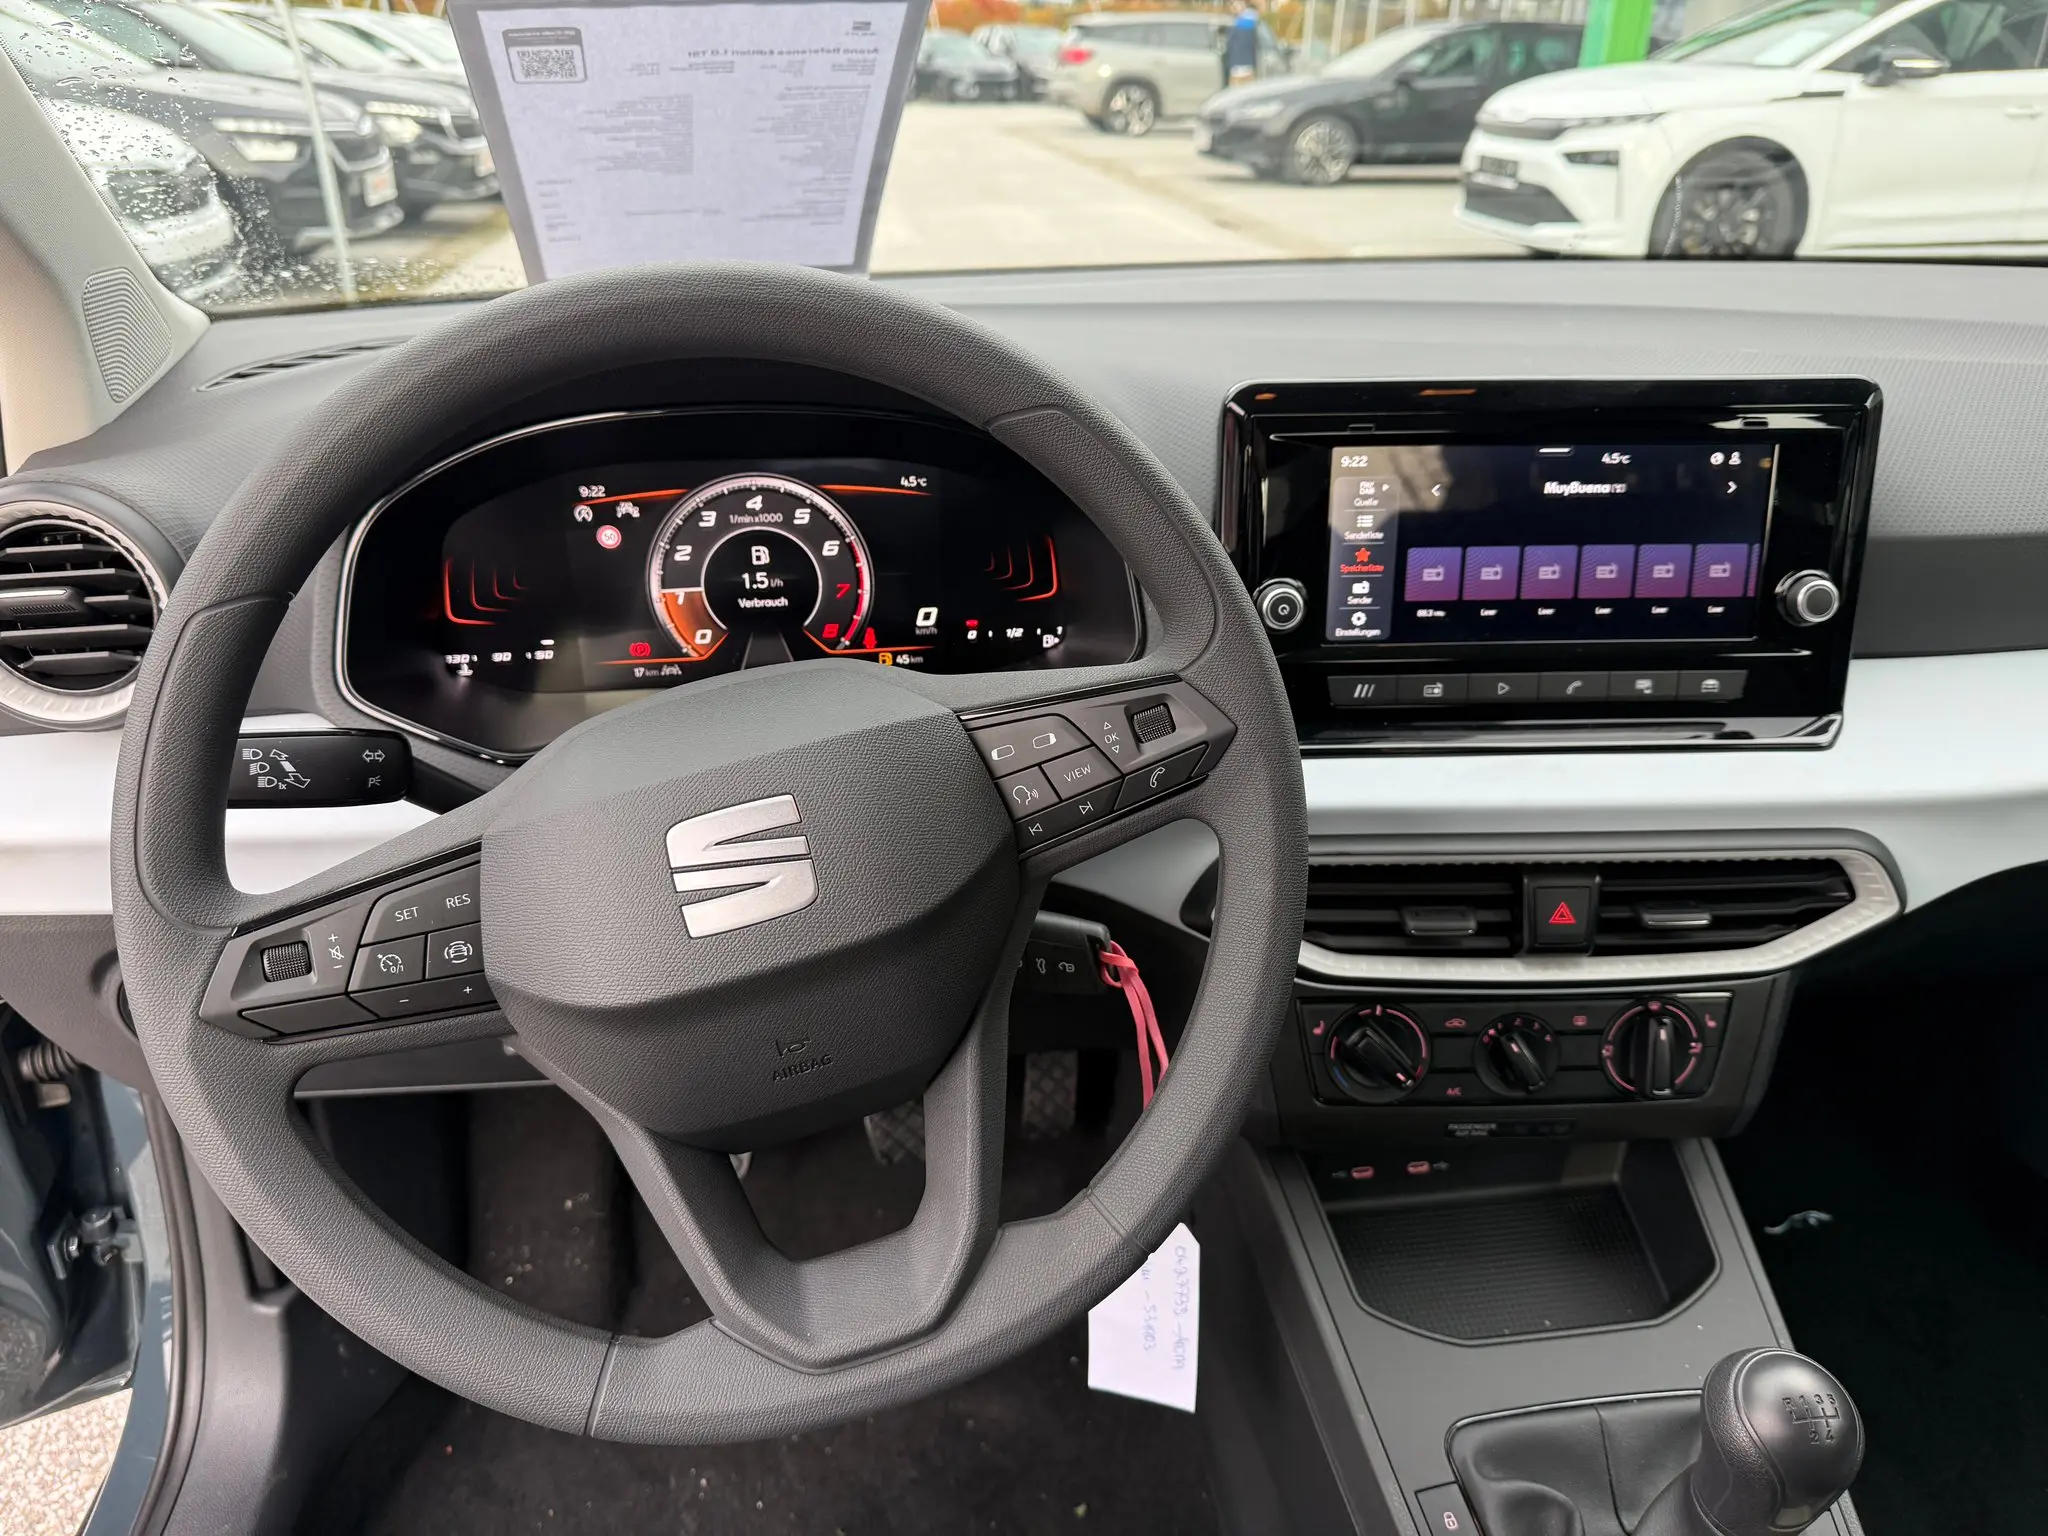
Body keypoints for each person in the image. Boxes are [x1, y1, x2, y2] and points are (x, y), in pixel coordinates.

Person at [1223, 0, 1260, 85]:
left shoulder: (1234, 26)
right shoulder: (1251, 24)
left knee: (1236, 90)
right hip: (1247, 67)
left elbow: (1229, 46)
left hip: (1236, 67)